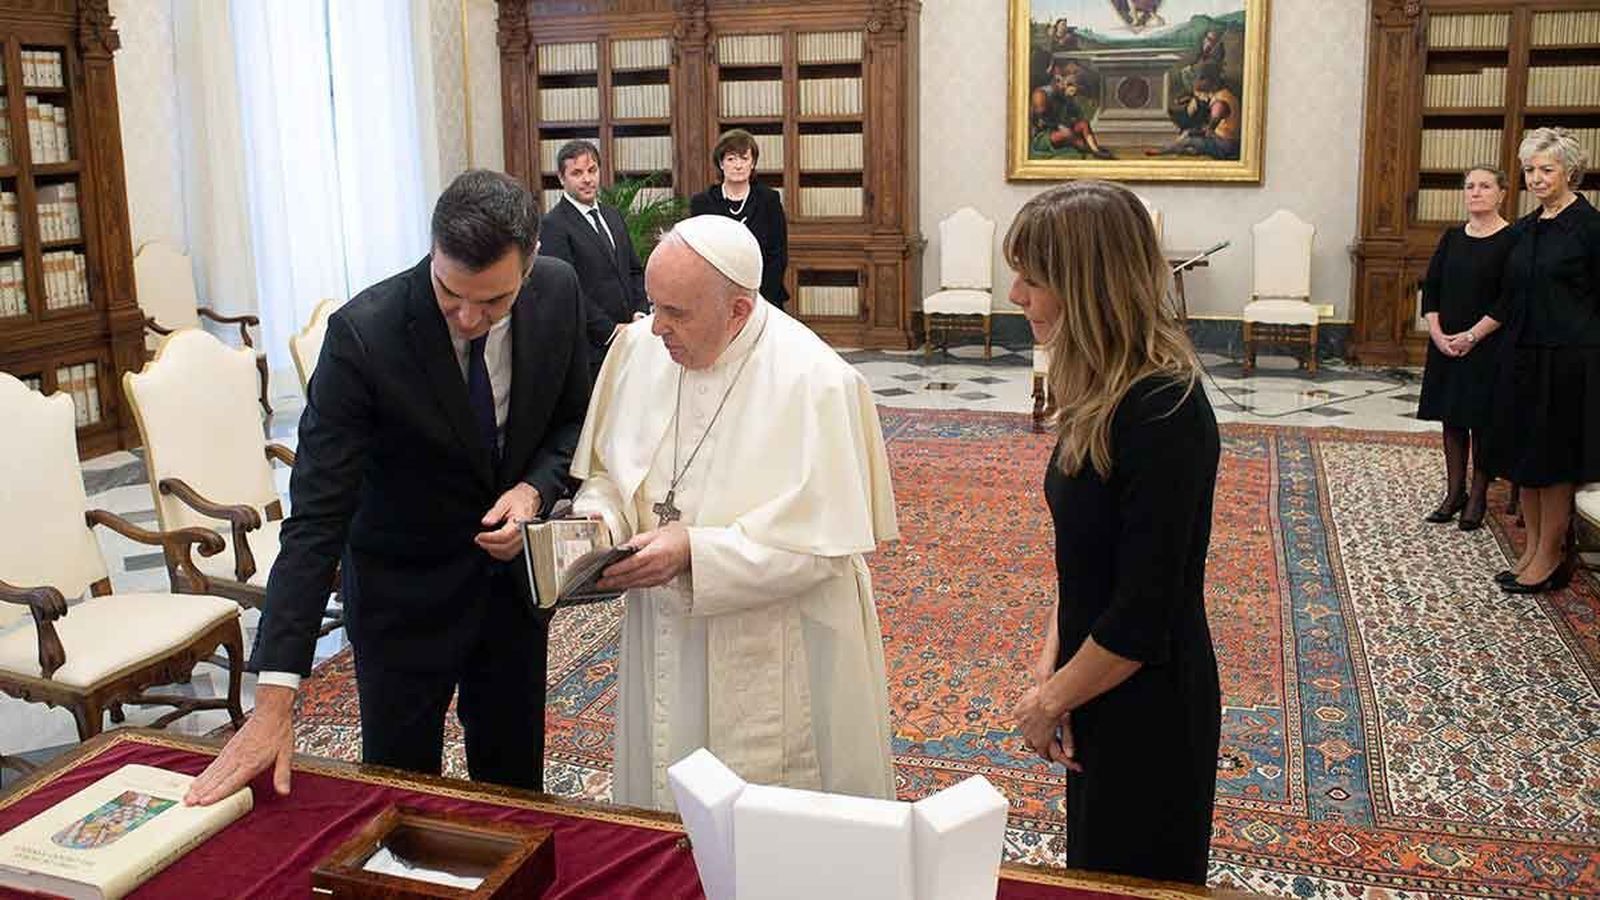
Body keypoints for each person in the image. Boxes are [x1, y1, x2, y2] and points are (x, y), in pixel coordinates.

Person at [185, 170, 592, 805]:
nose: (468, 317)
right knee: (398, 801)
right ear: (432, 253)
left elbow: (574, 419)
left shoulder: (560, 291)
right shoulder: (364, 337)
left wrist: (535, 490)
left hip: (511, 599)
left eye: (493, 302)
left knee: (514, 796)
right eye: (451, 293)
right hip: (403, 599)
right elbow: (316, 519)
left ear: (531, 261)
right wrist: (273, 698)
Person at [570, 215, 898, 811]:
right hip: (662, 625)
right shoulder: (642, 350)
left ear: (739, 311)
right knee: (662, 803)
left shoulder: (816, 381)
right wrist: (602, 525)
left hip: (771, 644)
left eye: (678, 313)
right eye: (654, 305)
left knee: (767, 822)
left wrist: (694, 551)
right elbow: (607, 475)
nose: (657, 328)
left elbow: (821, 553)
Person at [1006, 182, 1221, 884]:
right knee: (1095, 870)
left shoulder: (1163, 409)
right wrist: (1056, 659)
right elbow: (1087, 559)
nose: (1016, 296)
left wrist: (1049, 701)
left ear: (1085, 286)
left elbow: (1142, 613)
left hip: (1149, 704)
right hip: (1097, 681)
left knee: (1134, 877)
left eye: (1031, 280)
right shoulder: (1098, 386)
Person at [1454, 127, 1600, 594]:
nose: (1536, 178)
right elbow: (1509, 297)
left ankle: (1552, 556)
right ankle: (1533, 548)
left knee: (1555, 462)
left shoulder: (1590, 228)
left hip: (1569, 360)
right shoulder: (1527, 227)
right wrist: (1472, 335)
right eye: (1530, 170)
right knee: (1527, 458)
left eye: (1546, 170)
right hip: (1521, 358)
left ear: (1570, 172)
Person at [1416, 166, 1517, 531]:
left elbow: (1510, 300)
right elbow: (1432, 289)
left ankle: (1477, 498)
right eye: (1470, 186)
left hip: (1488, 344)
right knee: (1452, 418)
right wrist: (1439, 334)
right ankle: (1453, 492)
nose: (1475, 192)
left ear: (1502, 193)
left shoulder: (1513, 239)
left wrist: (1472, 336)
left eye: (1485, 186)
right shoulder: (1452, 237)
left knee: (1482, 422)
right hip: (1446, 345)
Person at [538, 139, 650, 365]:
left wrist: (640, 313)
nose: (587, 179)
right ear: (561, 178)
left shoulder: (613, 215)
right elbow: (567, 291)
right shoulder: (553, 225)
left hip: (632, 341)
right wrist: (610, 330)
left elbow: (634, 270)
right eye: (577, 173)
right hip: (592, 350)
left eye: (592, 170)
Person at [689, 129, 790, 311]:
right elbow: (699, 256)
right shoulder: (703, 203)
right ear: (721, 164)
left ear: (753, 164)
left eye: (744, 159)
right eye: (731, 159)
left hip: (764, 295)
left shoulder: (769, 200)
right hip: (716, 297)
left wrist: (758, 297)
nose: (738, 165)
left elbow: (778, 254)